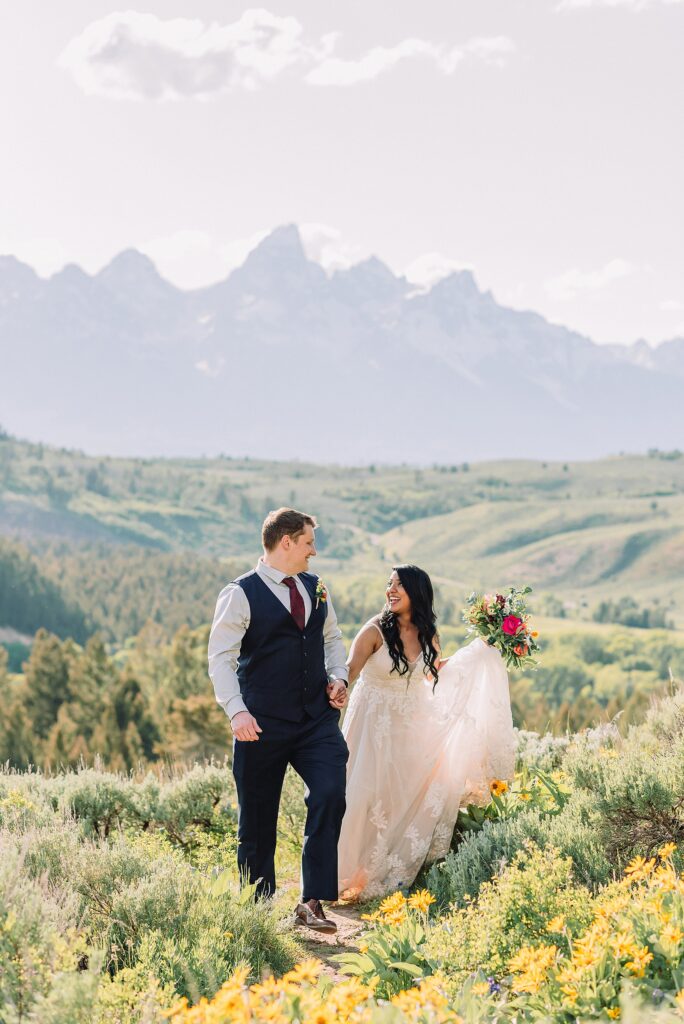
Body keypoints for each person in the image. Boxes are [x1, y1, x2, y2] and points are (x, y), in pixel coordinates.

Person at [208, 508, 349, 933]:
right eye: (308, 542)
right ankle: (259, 913)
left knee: (330, 792)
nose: (314, 551)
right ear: (286, 542)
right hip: (261, 722)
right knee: (257, 818)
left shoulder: (315, 586)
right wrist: (236, 711)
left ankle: (311, 900)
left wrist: (338, 677)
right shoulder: (240, 593)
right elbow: (220, 659)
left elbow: (331, 638)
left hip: (314, 721)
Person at [338, 564, 515, 900]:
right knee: (360, 795)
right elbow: (349, 670)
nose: (390, 591)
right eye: (388, 585)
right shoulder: (373, 630)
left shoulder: (427, 634)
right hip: (370, 726)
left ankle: (382, 871)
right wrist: (333, 691)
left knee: (397, 796)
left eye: (398, 586)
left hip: (410, 727)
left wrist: (479, 651)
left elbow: (432, 674)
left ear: (416, 592)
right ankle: (342, 873)